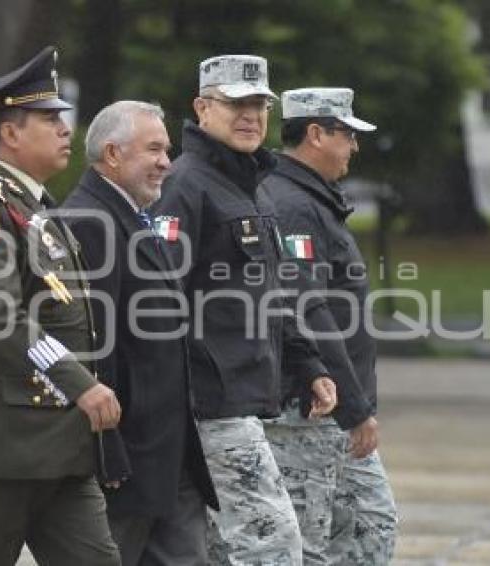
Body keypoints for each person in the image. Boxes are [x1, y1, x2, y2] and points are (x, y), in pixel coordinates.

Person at [0, 46, 121, 566]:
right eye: (48, 118)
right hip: (3, 448)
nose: (65, 129)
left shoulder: (35, 210)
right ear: (10, 132)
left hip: (60, 449)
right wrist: (81, 383)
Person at [151, 54, 337, 565]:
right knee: (273, 544)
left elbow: (271, 292)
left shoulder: (250, 186)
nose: (250, 115)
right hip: (211, 402)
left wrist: (308, 364)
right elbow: (157, 297)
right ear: (202, 108)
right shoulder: (184, 185)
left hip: (252, 396)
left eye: (258, 104)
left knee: (222, 546)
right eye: (236, 104)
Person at [64, 100, 219, 566]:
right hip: (127, 460)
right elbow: (95, 345)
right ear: (112, 154)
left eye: (167, 150)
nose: (166, 163)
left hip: (167, 454)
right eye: (154, 150)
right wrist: (107, 448)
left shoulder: (132, 216)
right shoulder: (89, 222)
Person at [260, 87, 399, 565]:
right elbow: (307, 309)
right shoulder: (293, 204)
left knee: (367, 528)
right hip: (314, 409)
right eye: (347, 134)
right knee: (311, 543)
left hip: (333, 408)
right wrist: (355, 408)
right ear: (316, 134)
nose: (355, 147)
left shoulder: (312, 199)